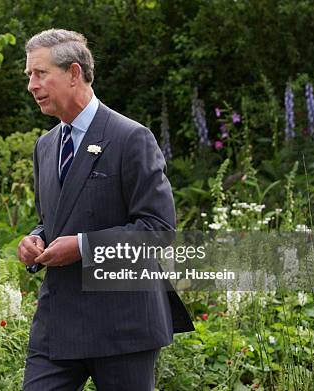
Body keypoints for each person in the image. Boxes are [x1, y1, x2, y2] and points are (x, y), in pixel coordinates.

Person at [18, 29, 194, 390]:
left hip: (122, 325)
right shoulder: (46, 146)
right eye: (29, 76)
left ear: (74, 73)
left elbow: (157, 230)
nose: (32, 85)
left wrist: (82, 247)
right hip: (58, 323)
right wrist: (36, 240)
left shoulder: (131, 138)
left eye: (40, 73)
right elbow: (52, 221)